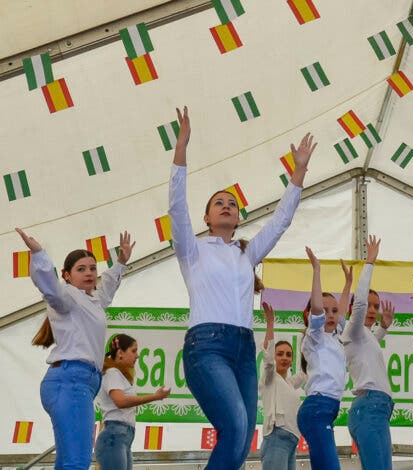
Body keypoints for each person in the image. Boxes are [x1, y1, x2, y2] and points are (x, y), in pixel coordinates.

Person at [168, 106, 316, 469]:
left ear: (238, 218)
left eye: (232, 204)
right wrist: (181, 151)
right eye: (218, 203)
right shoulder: (192, 250)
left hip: (242, 349)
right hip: (207, 346)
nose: (226, 206)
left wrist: (298, 173)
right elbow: (175, 208)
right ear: (206, 217)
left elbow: (280, 222)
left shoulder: (246, 255)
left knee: (242, 436)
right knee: (234, 425)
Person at [17, 228, 134, 470]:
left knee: (70, 461)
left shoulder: (92, 300)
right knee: (76, 462)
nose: (89, 273)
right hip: (70, 380)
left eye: (92, 268)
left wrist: (120, 262)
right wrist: (39, 255)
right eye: (81, 269)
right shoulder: (67, 297)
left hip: (78, 382)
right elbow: (49, 288)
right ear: (66, 275)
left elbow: (107, 290)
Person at [341, 235, 396, 470]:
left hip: (379, 410)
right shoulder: (352, 330)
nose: (372, 309)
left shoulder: (366, 336)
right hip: (369, 407)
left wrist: (383, 327)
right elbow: (361, 305)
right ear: (354, 309)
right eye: (369, 305)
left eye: (377, 305)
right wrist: (370, 263)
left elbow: (372, 343)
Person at [296, 247, 345, 469]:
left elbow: (342, 311)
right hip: (317, 407)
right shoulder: (314, 339)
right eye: (326, 312)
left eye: (334, 311)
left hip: (327, 410)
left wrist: (348, 283)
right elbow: (317, 309)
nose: (331, 315)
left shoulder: (335, 337)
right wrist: (317, 270)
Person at [95, 334, 170, 470]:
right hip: (114, 436)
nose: (137, 356)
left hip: (122, 436)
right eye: (134, 351)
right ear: (120, 353)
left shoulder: (119, 376)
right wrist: (154, 396)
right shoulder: (112, 373)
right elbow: (120, 401)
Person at [258, 302, 307, 470]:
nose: (284, 358)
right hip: (276, 438)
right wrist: (270, 324)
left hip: (292, 441)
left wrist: (309, 340)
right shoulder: (270, 378)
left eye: (288, 355)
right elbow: (267, 356)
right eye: (280, 354)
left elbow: (307, 371)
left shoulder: (290, 383)